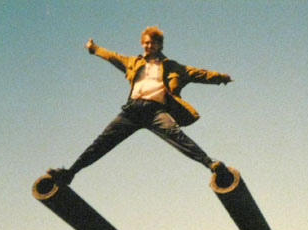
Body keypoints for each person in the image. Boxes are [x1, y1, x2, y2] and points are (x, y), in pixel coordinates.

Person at [48, 26, 231, 185]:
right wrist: (94, 48)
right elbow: (112, 57)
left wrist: (220, 78)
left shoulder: (173, 67)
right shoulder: (133, 62)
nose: (148, 46)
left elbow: (198, 73)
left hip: (155, 111)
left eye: (152, 43)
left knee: (177, 136)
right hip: (132, 110)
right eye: (145, 43)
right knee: (102, 142)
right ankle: (69, 173)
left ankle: (211, 164)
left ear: (159, 45)